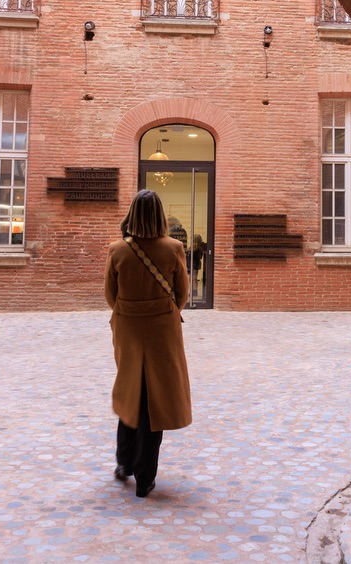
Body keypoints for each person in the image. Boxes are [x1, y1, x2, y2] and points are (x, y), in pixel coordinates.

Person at [104, 189, 192, 498]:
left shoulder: (117, 249)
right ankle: (145, 477)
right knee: (155, 399)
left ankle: (123, 464)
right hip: (161, 330)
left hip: (127, 327)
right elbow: (182, 294)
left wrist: (132, 311)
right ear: (159, 214)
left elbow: (109, 295)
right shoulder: (174, 248)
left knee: (131, 391)